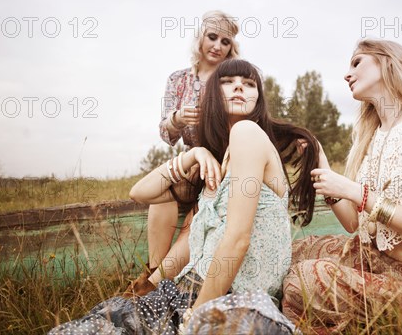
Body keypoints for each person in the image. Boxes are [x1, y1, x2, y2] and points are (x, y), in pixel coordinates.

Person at [50, 59, 319, 334]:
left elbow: (238, 240)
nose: (239, 86)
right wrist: (193, 154)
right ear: (213, 94)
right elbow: (140, 192)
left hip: (221, 299)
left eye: (249, 84)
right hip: (189, 292)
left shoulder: (248, 133)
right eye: (228, 81)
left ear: (258, 99)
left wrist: (193, 318)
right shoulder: (217, 163)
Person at [282, 39, 402, 334]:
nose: (347, 74)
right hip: (369, 257)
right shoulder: (372, 135)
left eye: (356, 63)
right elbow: (354, 223)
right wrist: (321, 159)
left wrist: (357, 192)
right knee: (294, 250)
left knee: (305, 278)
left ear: (386, 62)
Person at [128, 10, 241, 295]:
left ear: (231, 47)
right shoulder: (177, 79)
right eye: (211, 37)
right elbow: (166, 134)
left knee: (201, 215)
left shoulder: (231, 78)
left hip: (225, 161)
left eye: (225, 41)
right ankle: (153, 274)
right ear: (200, 38)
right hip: (192, 159)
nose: (217, 46)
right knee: (162, 195)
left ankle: (156, 284)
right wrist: (177, 118)